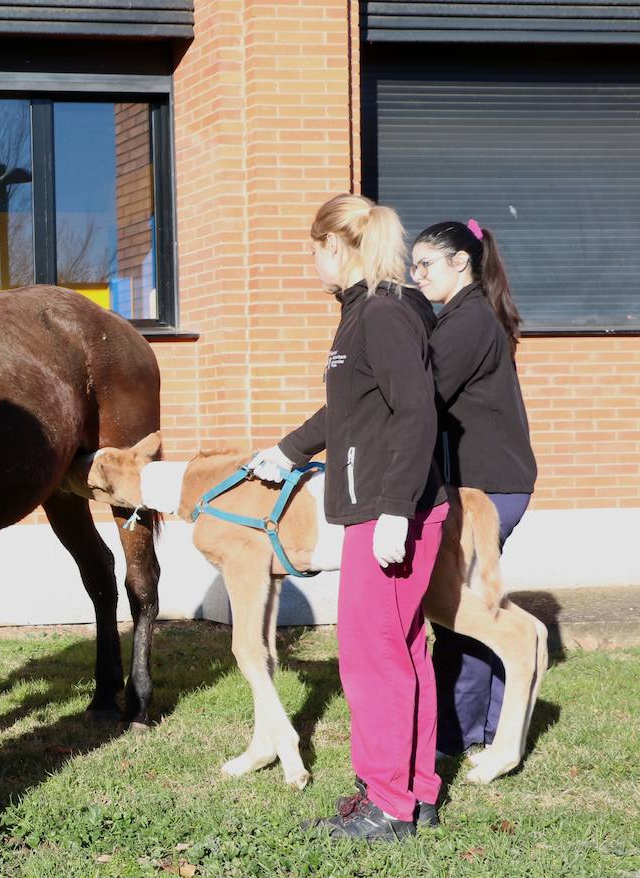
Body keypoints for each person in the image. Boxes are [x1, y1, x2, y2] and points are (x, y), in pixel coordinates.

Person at [250, 193, 447, 841]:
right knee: (405, 650)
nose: (312, 263)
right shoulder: (362, 314)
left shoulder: (384, 314)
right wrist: (288, 449)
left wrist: (394, 511)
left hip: (390, 509)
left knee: (373, 658)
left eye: (314, 250)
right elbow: (353, 411)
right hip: (384, 503)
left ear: (335, 246)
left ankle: (387, 805)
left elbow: (416, 412)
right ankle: (412, 791)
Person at [410, 219, 536, 758]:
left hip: (487, 487)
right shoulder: (468, 314)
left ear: (461, 263)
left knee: (455, 612)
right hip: (496, 482)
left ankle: (458, 735)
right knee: (470, 606)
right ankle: (484, 726)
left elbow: (422, 396)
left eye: (425, 265)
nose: (416, 276)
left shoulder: (464, 321)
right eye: (412, 266)